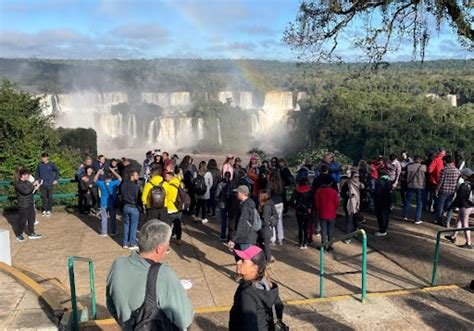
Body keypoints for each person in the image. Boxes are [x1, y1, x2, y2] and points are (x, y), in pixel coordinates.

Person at [106, 220, 194, 330]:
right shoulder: (164, 275)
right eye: (168, 243)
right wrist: (178, 292)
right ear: (159, 249)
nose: (169, 246)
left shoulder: (117, 264)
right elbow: (185, 320)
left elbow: (111, 307)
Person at [229, 246, 285, 331]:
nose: (238, 262)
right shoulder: (268, 284)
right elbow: (279, 308)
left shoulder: (247, 295)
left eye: (243, 261)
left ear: (254, 268)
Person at [445, 168, 473, 249]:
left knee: (465, 225)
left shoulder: (464, 185)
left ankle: (468, 243)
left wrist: (450, 207)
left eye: (462, 174)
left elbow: (458, 199)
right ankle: (453, 236)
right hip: (471, 206)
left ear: (464, 175)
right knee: (458, 221)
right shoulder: (471, 184)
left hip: (465, 207)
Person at [14, 168, 42, 241]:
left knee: (32, 219)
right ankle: (19, 234)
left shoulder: (28, 182)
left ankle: (32, 233)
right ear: (22, 175)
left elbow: (31, 192)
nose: (29, 176)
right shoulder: (17, 183)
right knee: (22, 221)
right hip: (23, 205)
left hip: (30, 203)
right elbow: (25, 191)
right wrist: (33, 185)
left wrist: (36, 188)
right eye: (27, 175)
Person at [228, 185, 258, 252]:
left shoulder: (245, 207)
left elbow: (241, 224)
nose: (236, 194)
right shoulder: (249, 203)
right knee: (241, 259)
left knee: (246, 259)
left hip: (244, 238)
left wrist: (233, 239)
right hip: (247, 236)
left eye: (237, 193)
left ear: (242, 193)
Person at [434, 155, 460, 226]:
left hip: (443, 191)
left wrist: (437, 190)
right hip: (452, 191)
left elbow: (440, 181)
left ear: (445, 161)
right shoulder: (457, 170)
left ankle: (440, 220)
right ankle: (448, 221)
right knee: (449, 207)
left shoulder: (444, 170)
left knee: (440, 206)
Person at [95, 168, 122, 236]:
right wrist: (113, 171)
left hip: (103, 202)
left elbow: (95, 180)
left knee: (104, 218)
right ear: (112, 176)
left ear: (105, 176)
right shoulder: (114, 183)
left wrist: (98, 172)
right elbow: (120, 178)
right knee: (113, 218)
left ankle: (104, 232)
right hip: (112, 202)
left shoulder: (101, 183)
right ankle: (113, 231)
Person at [315, 176, 339, 251]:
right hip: (332, 213)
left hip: (322, 212)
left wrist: (318, 209)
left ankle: (323, 244)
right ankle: (330, 245)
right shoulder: (334, 192)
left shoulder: (319, 191)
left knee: (323, 230)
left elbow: (317, 203)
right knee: (330, 230)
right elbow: (337, 203)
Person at [340, 170, 364, 243]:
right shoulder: (347, 184)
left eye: (358, 177)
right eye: (355, 176)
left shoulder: (361, 185)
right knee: (349, 221)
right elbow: (342, 193)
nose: (357, 178)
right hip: (349, 204)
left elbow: (363, 195)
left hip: (357, 205)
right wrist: (348, 195)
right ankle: (348, 237)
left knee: (356, 220)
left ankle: (356, 231)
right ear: (351, 177)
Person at [402, 155, 426, 224]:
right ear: (420, 160)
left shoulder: (409, 167)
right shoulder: (424, 167)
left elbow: (405, 175)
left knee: (407, 201)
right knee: (419, 203)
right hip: (420, 186)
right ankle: (417, 219)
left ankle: (405, 216)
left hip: (410, 185)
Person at [121, 170, 142, 250]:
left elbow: (122, 196)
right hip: (134, 207)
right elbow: (138, 198)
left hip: (126, 206)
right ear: (132, 176)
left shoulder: (123, 185)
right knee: (133, 226)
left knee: (126, 224)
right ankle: (132, 243)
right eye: (136, 175)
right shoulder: (136, 186)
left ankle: (125, 243)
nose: (137, 177)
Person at [292, 177, 314, 249]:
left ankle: (300, 243)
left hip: (299, 210)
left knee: (300, 227)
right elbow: (313, 201)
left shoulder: (296, 190)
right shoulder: (310, 190)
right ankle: (305, 243)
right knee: (306, 227)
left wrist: (295, 206)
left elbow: (292, 201)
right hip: (308, 210)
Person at [35, 152, 59, 216]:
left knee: (50, 197)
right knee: (44, 198)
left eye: (44, 157)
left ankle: (49, 210)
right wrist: (37, 179)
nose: (43, 158)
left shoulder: (51, 164)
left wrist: (56, 179)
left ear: (47, 157)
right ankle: (44, 210)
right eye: (42, 157)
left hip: (50, 184)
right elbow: (37, 172)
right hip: (42, 184)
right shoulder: (39, 164)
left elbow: (57, 171)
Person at [164, 169, 184, 245]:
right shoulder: (180, 183)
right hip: (179, 208)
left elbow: (169, 198)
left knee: (168, 226)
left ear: (171, 177)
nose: (165, 178)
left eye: (167, 177)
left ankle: (167, 241)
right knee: (178, 226)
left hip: (170, 209)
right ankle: (178, 239)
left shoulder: (168, 186)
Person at [258, 190, 277, 262]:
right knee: (264, 245)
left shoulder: (266, 207)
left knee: (266, 246)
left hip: (265, 229)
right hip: (267, 229)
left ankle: (267, 259)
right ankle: (266, 258)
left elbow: (265, 220)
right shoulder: (270, 204)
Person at [267, 169, 284, 246]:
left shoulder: (270, 183)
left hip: (272, 203)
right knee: (279, 220)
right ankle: (280, 238)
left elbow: (267, 193)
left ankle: (272, 239)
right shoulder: (281, 182)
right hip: (280, 202)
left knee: (272, 221)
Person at [373, 169, 392, 237]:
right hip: (388, 201)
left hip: (380, 201)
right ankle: (384, 229)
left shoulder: (379, 182)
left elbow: (377, 193)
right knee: (386, 216)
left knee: (380, 216)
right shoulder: (389, 181)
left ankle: (382, 230)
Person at [216, 171, 233, 241]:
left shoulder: (220, 184)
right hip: (230, 204)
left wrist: (217, 199)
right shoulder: (232, 184)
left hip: (222, 204)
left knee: (223, 220)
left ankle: (223, 235)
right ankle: (229, 237)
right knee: (230, 221)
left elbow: (216, 194)